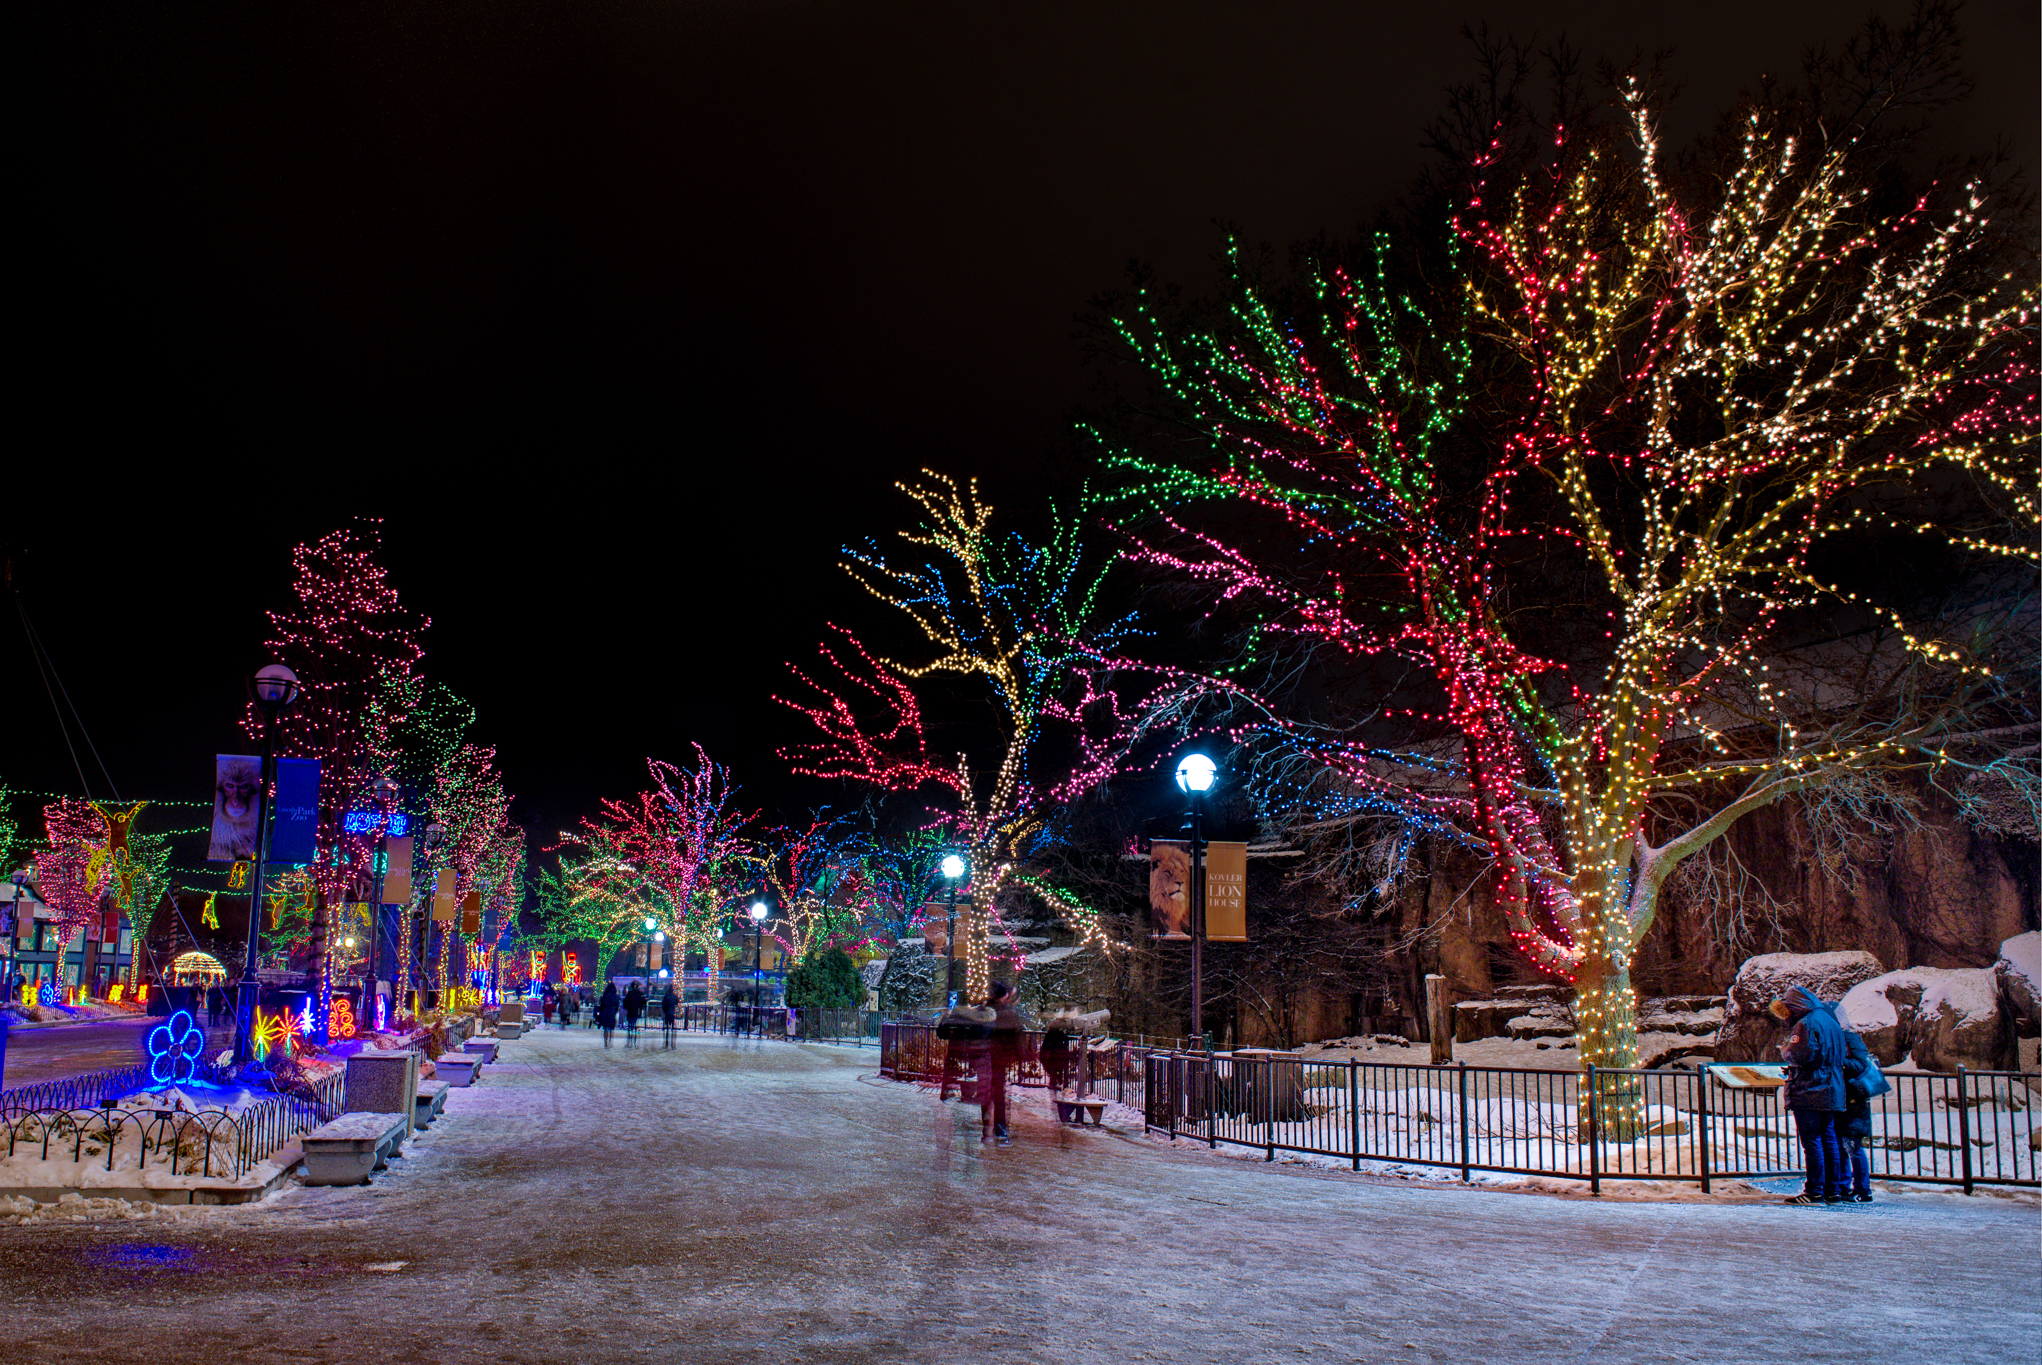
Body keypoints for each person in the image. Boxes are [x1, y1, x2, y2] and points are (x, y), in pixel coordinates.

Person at [1772, 984, 1847, 1204]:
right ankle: (1833, 1190)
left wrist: (1786, 1052)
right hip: (1832, 1087)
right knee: (1829, 1140)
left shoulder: (1806, 1023)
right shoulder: (1830, 1021)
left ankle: (1814, 1190)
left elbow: (1801, 1055)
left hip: (1810, 1088)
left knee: (1812, 1141)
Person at [1829, 1000, 1888, 1203]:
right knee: (1840, 1145)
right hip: (1840, 1099)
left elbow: (1861, 1064)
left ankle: (1863, 1189)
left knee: (1852, 1145)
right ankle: (1844, 1186)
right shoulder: (1837, 1037)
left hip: (1853, 1101)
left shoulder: (1849, 1037)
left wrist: (1836, 1061)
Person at [983, 981, 1024, 1145]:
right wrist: (1021, 1056)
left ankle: (986, 1128)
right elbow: (1017, 1035)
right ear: (1003, 996)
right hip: (999, 1059)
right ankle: (1000, 1130)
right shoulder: (1007, 1014)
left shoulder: (983, 1012)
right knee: (999, 1095)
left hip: (983, 1059)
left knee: (986, 1093)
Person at [597, 981, 620, 1048]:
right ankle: (610, 1042)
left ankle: (606, 1042)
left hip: (605, 1012)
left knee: (606, 1028)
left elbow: (601, 1005)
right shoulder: (616, 996)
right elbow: (617, 1005)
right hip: (612, 1012)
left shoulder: (604, 996)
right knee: (611, 1029)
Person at [660, 984, 679, 1048]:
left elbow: (663, 1004)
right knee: (672, 1029)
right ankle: (672, 1043)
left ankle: (666, 1042)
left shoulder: (666, 996)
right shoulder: (674, 996)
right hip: (672, 1013)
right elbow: (677, 1002)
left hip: (667, 1013)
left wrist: (664, 1011)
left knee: (667, 1028)